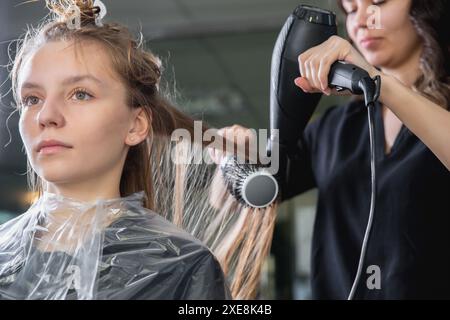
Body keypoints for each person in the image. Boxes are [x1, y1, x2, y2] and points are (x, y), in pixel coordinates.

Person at [212, 0, 450, 299]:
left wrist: (381, 85)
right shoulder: (334, 129)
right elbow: (228, 200)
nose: (361, 20)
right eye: (351, 10)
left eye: (377, 3)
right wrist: (235, 159)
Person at [0, 0, 231, 300]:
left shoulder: (183, 268)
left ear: (136, 125)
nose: (46, 116)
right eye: (32, 99)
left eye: (80, 94)